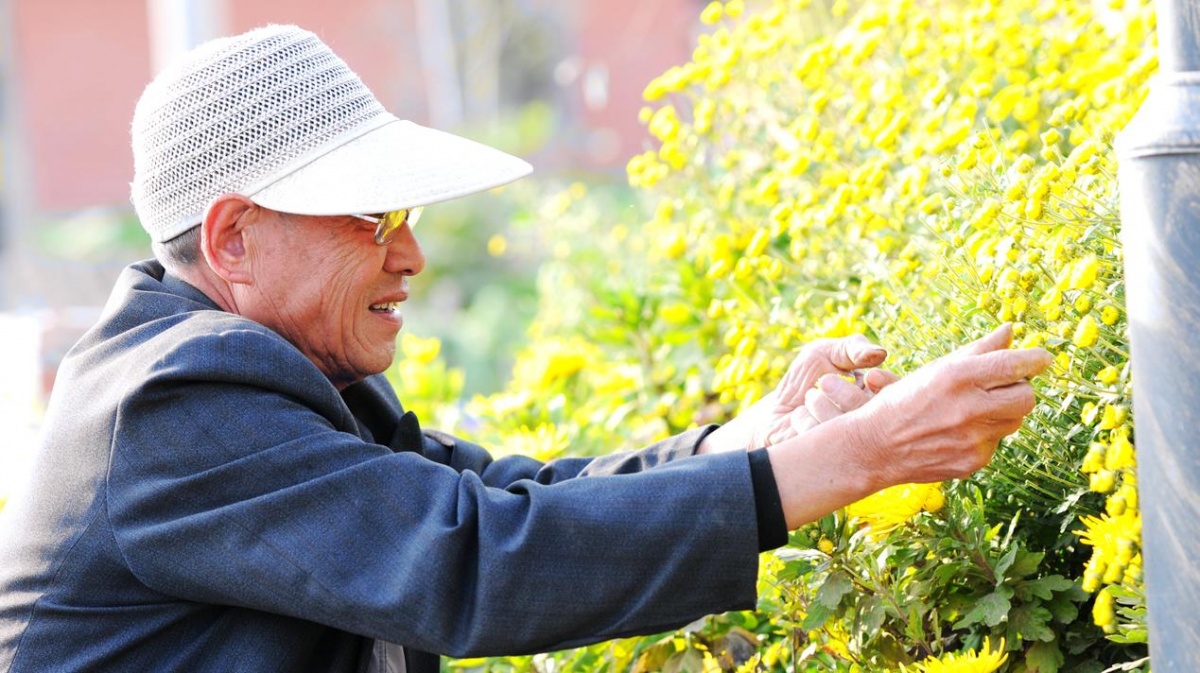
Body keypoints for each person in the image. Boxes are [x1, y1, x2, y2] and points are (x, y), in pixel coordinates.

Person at [0, 24, 1050, 673]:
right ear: (232, 237)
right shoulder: (172, 406)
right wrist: (853, 460)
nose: (409, 254)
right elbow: (472, 562)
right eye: (370, 219)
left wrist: (751, 441)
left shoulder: (265, 374)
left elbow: (502, 497)